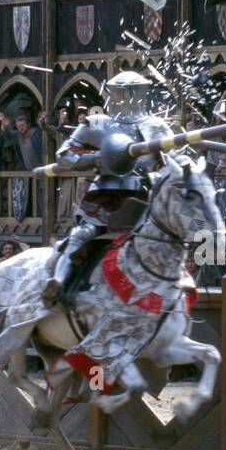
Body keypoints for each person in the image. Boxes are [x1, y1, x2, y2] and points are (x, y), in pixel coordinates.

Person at [42, 71, 164, 308]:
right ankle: (58, 283)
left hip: (147, 193)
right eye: (123, 92)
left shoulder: (155, 125)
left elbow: (175, 161)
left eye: (134, 92)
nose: (129, 97)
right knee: (83, 233)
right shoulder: (98, 123)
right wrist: (101, 156)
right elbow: (64, 155)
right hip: (106, 193)